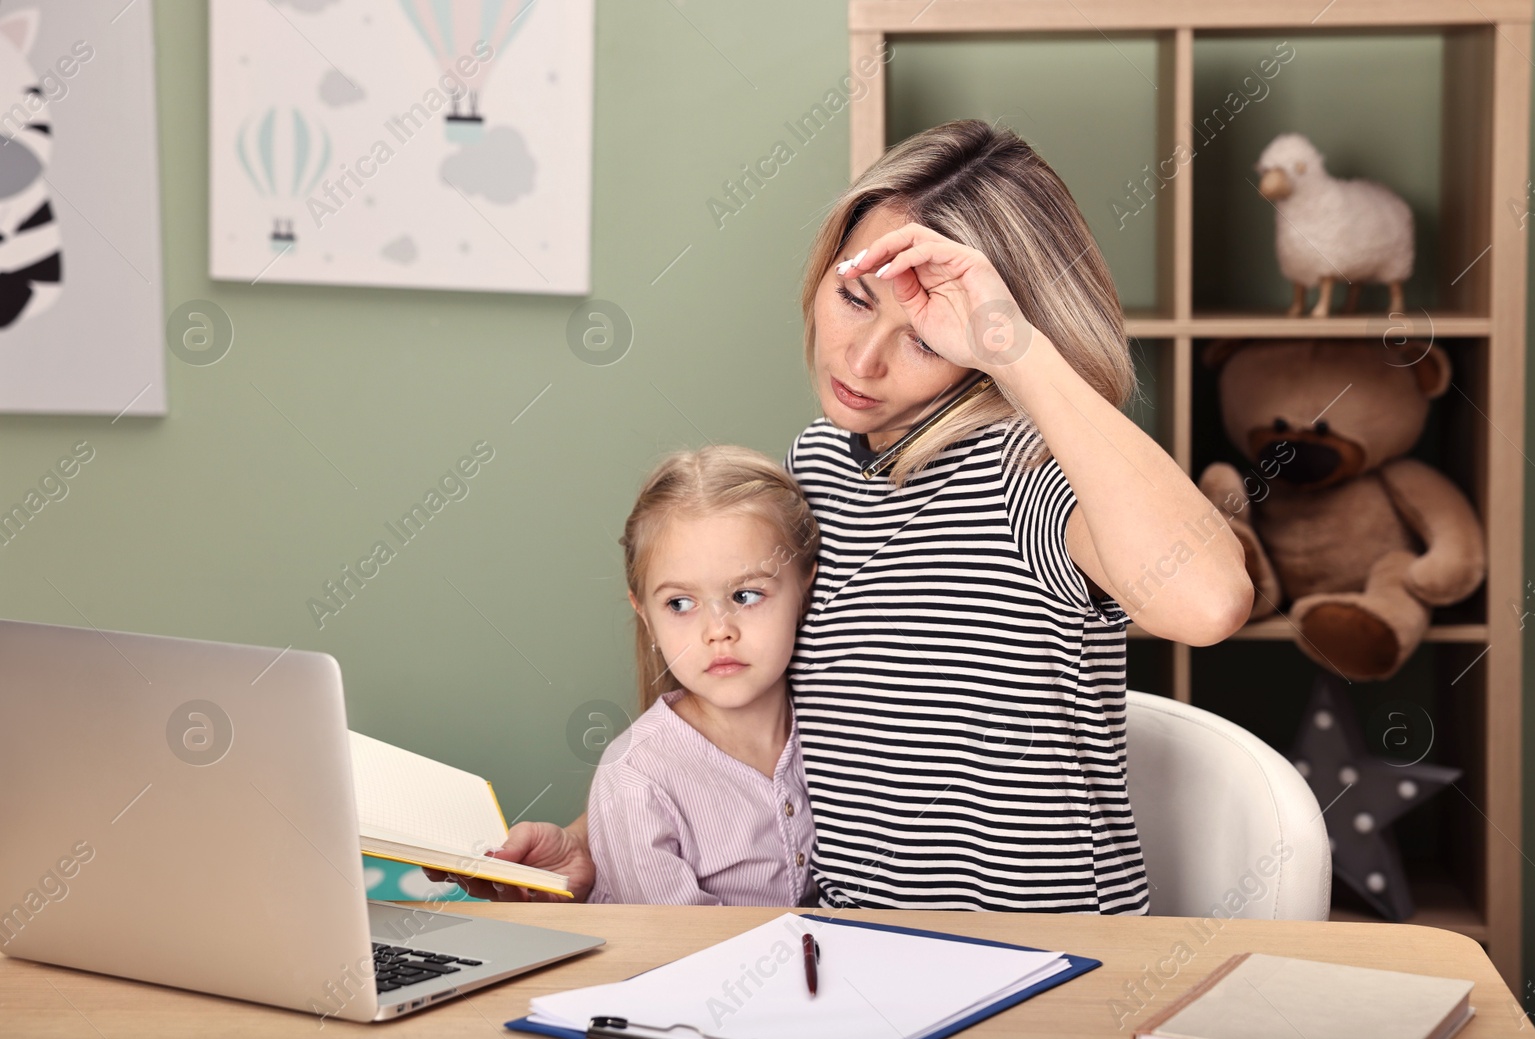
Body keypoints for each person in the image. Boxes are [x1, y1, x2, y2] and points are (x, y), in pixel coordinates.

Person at [432, 119, 1253, 910]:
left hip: (1041, 971)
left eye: (929, 338)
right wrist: (599, 843)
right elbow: (764, 703)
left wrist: (1011, 341)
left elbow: (1211, 602)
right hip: (852, 961)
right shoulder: (819, 463)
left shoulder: (1025, 472)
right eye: (856, 298)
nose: (863, 360)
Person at [584, 444, 820, 905]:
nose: (718, 632)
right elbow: (679, 956)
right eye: (680, 604)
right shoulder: (635, 778)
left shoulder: (837, 736)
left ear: (804, 589)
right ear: (646, 614)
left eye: (747, 595)